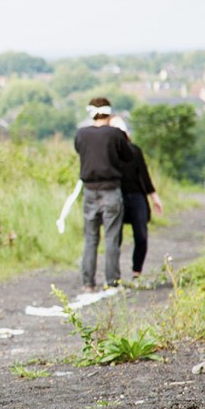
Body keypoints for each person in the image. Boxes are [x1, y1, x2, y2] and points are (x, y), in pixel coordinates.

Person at [73, 97, 132, 291]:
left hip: (89, 191)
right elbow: (128, 155)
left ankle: (88, 282)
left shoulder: (81, 134)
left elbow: (79, 150)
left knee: (90, 239)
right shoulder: (116, 134)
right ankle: (112, 281)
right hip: (111, 190)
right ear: (109, 113)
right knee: (111, 238)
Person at [110, 117, 163, 279]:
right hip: (116, 196)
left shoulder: (135, 151)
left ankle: (136, 272)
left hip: (136, 196)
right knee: (115, 237)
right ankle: (113, 274)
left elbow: (144, 174)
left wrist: (154, 196)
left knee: (141, 235)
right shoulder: (109, 154)